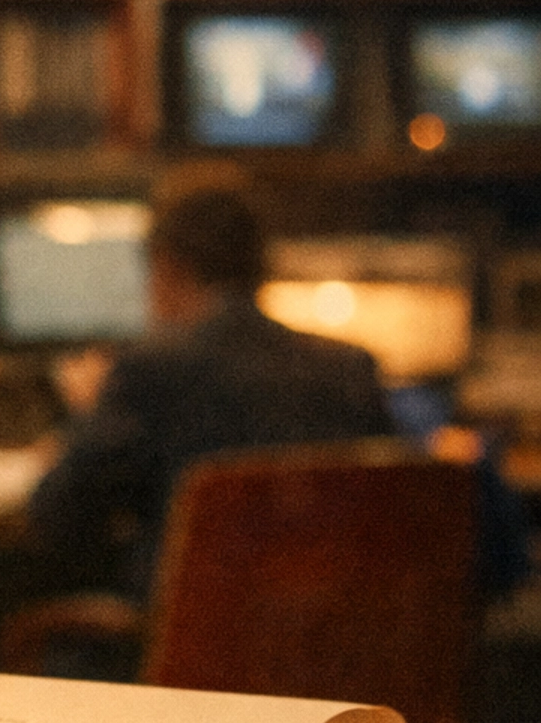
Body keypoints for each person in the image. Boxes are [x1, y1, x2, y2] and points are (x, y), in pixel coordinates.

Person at [25, 170, 396, 606]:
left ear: (166, 266)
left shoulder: (148, 372)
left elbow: (56, 514)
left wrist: (86, 416)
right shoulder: (349, 369)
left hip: (184, 658)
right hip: (326, 650)